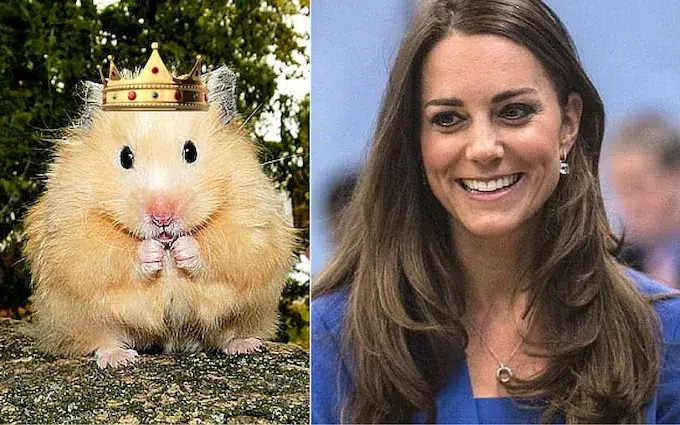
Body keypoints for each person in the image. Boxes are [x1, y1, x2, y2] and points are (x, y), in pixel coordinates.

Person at [311, 0, 680, 423]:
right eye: (448, 119)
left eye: (514, 112)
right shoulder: (336, 341)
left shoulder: (662, 335)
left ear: (568, 124)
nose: (483, 148)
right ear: (415, 139)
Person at [608, 112, 680, 289]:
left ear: (676, 176)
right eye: (621, 191)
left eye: (640, 187)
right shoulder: (617, 264)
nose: (630, 205)